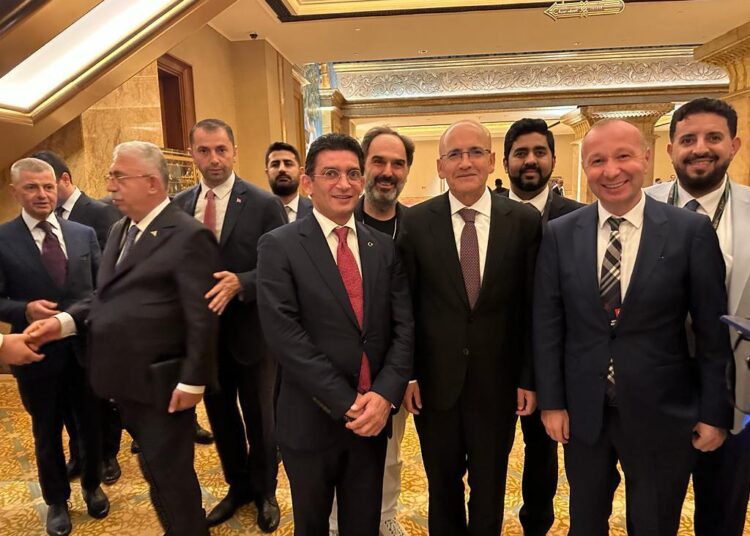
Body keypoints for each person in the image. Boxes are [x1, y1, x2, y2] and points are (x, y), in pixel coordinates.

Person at [534, 119, 733, 535]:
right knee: (585, 523)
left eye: (623, 156)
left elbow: (712, 333)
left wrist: (714, 412)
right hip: (584, 412)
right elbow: (549, 324)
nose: (611, 171)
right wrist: (552, 402)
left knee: (654, 523)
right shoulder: (560, 233)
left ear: (645, 157)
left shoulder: (689, 231)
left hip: (662, 410)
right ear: (584, 168)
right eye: (597, 161)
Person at [26, 141, 220, 536]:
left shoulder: (189, 235)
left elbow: (203, 316)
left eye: (119, 176)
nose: (109, 184)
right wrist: (63, 322)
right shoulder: (120, 229)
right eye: (110, 175)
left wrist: (193, 380)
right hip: (126, 382)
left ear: (151, 183)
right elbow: (105, 296)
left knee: (173, 479)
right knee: (155, 471)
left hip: (165, 385)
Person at [257, 133, 414, 535]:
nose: (344, 184)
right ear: (308, 182)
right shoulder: (279, 246)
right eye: (331, 174)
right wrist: (348, 403)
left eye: (352, 174)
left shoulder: (382, 247)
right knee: (312, 526)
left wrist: (385, 396)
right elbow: (285, 336)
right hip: (311, 419)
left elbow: (403, 328)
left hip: (373, 419)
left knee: (363, 524)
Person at [398, 120, 541, 536]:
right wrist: (408, 374)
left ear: (492, 161)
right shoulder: (415, 223)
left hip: (499, 386)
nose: (465, 162)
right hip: (434, 386)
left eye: (475, 152)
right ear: (440, 166)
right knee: (442, 487)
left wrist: (528, 378)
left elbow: (533, 308)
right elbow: (404, 306)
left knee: (490, 487)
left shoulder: (524, 221)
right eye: (454, 155)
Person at [173, 119, 286, 532]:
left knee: (261, 418)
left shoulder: (263, 204)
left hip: (252, 333)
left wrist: (243, 282)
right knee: (221, 418)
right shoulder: (179, 206)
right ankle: (237, 486)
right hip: (205, 338)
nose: (214, 159)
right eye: (204, 150)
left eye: (221, 149)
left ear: (234, 151)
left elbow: (281, 267)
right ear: (193, 154)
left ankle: (266, 491)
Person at [644, 97, 750, 536]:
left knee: (723, 513)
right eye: (688, 139)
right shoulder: (637, 206)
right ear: (671, 149)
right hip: (655, 392)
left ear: (734, 145)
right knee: (652, 515)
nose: (700, 148)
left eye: (713, 138)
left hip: (736, 392)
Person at [0, 158, 108, 536]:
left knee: (91, 425)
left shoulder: (83, 234)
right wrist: (23, 309)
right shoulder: (2, 239)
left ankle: (92, 486)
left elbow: (102, 290)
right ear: (15, 191)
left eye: (48, 186)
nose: (42, 194)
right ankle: (57, 501)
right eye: (31, 187)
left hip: (84, 350)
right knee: (46, 431)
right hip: (34, 354)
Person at [499, 118, 584, 535]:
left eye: (539, 152)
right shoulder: (488, 215)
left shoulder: (579, 218)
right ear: (505, 162)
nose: (530, 160)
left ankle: (537, 525)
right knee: (487, 456)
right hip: (494, 362)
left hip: (555, 363)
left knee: (543, 453)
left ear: (552, 158)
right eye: (521, 153)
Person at [328, 126, 413, 536]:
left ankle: (385, 514)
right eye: (378, 161)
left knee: (390, 451)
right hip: (335, 369)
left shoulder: (419, 227)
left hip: (392, 370)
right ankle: (334, 522)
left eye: (398, 164)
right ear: (363, 168)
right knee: (333, 451)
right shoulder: (338, 218)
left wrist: (405, 375)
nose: (388, 172)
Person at [32, 149, 125, 485]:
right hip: (54, 331)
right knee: (71, 404)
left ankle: (108, 454)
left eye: (48, 184)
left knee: (100, 399)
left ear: (64, 179)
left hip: (92, 325)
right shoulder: (38, 223)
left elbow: (109, 272)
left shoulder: (99, 213)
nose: (42, 194)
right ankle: (80, 454)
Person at [265, 141, 312, 223]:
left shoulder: (317, 211)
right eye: (275, 164)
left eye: (288, 164)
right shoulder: (256, 212)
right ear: (267, 173)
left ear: (301, 172)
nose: (281, 169)